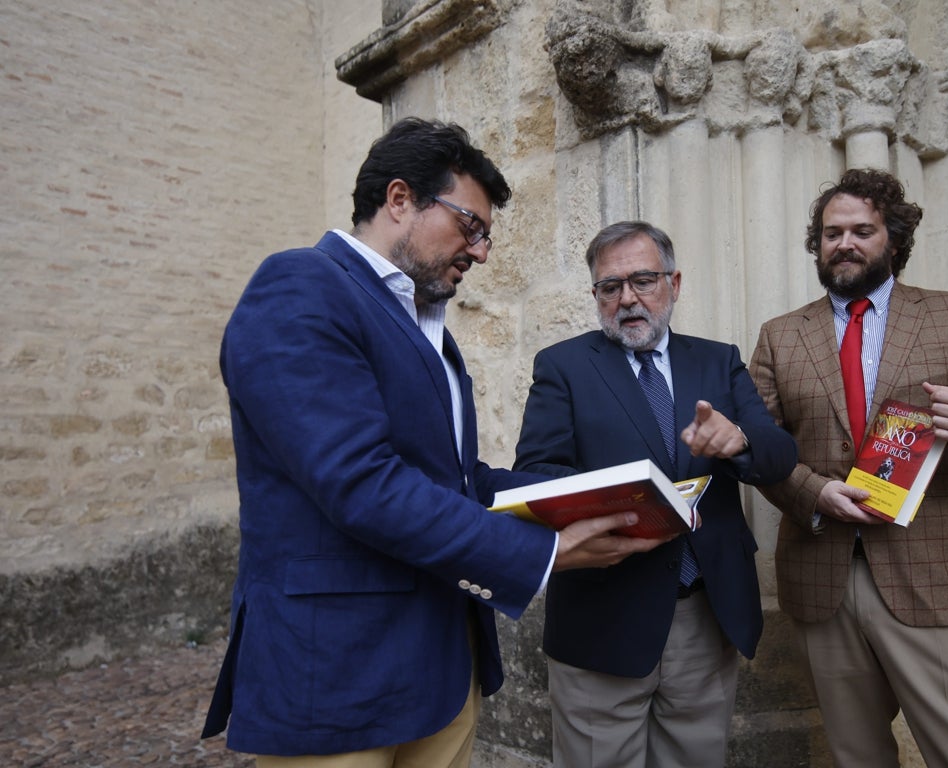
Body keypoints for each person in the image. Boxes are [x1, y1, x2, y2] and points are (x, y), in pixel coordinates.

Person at [200, 118, 663, 768]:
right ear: (399, 199)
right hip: (338, 679)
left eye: (485, 236)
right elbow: (362, 483)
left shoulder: (421, 324)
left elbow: (456, 480)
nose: (479, 251)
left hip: (444, 666)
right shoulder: (298, 287)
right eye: (470, 225)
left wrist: (600, 493)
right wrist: (545, 551)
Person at [748, 168, 948, 767]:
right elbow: (757, 446)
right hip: (824, 573)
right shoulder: (782, 337)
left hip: (934, 574)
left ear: (893, 238)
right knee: (858, 757)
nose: (845, 244)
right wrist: (813, 491)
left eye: (863, 230)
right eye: (832, 233)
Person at [514, 220, 798, 768]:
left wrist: (737, 441)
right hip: (603, 617)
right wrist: (611, 499)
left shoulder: (718, 360)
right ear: (596, 295)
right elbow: (536, 473)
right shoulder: (564, 366)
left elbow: (779, 453)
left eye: (643, 280)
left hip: (704, 616)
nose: (627, 299)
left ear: (675, 282)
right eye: (609, 287)